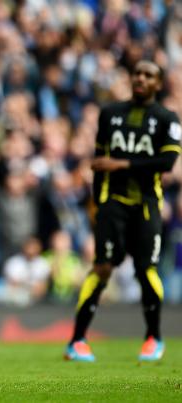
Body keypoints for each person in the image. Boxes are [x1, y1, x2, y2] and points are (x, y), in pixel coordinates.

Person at [64, 60, 181, 362]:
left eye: (149, 75)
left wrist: (122, 164)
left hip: (146, 204)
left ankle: (153, 337)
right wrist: (97, 204)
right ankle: (76, 341)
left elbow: (167, 163)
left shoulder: (167, 118)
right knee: (102, 267)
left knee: (146, 269)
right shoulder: (110, 113)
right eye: (137, 73)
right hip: (112, 202)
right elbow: (99, 163)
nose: (141, 78)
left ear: (158, 83)